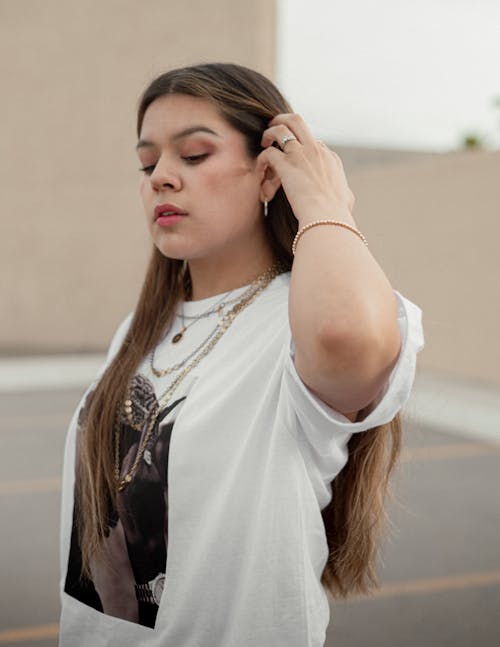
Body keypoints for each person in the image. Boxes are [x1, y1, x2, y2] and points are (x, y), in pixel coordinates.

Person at [58, 62, 425, 646]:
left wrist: (325, 199)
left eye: (195, 155)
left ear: (269, 174)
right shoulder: (139, 328)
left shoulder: (300, 321)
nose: (161, 178)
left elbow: (345, 339)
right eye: (147, 163)